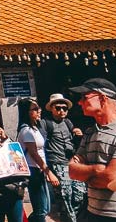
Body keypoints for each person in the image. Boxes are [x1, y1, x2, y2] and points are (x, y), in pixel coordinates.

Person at [68, 78, 116, 222]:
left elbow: (111, 178)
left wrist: (85, 174)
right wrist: (96, 170)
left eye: (85, 97)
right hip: (92, 213)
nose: (79, 102)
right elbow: (72, 171)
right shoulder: (90, 132)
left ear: (103, 98)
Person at [44, 93, 87, 222]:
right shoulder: (46, 124)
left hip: (72, 163)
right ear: (51, 108)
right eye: (58, 108)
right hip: (58, 164)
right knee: (65, 196)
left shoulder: (68, 122)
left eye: (64, 108)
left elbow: (73, 140)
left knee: (80, 194)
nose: (62, 110)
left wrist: (78, 135)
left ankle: (74, 218)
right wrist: (48, 171)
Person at [19, 98, 58, 222]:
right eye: (35, 109)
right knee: (41, 209)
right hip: (33, 171)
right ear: (27, 112)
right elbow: (34, 154)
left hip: (39, 170)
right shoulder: (26, 131)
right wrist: (48, 172)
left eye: (38, 108)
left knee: (44, 207)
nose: (39, 111)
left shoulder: (35, 129)